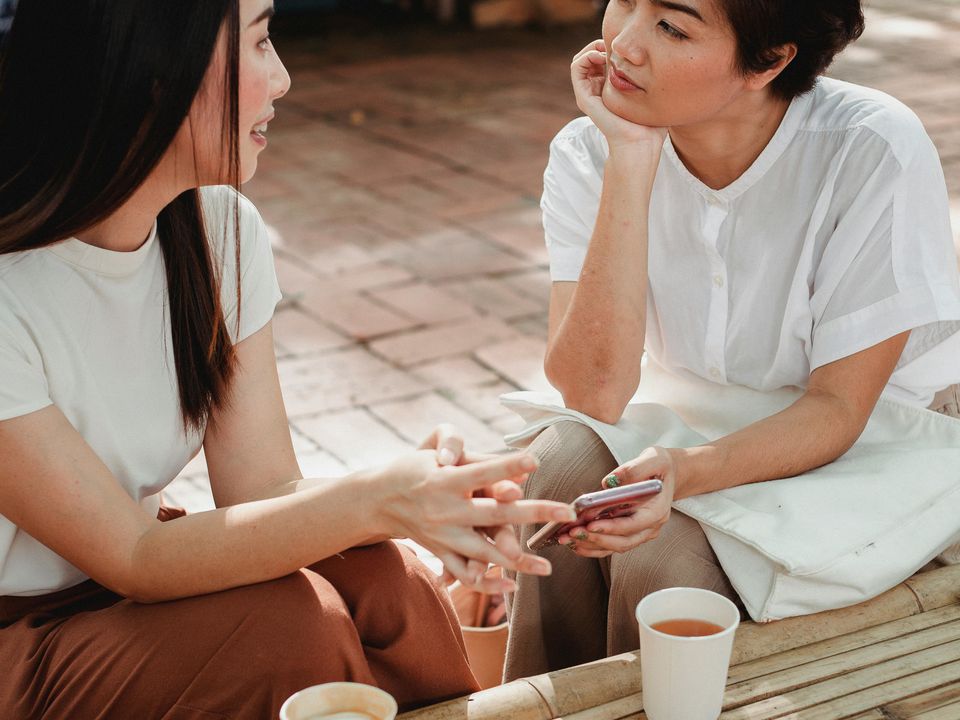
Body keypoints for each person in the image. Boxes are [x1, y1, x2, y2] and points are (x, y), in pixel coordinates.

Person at [0, 1, 580, 717]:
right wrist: (376, 498)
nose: (283, 79)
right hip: (20, 635)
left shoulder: (217, 232)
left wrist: (413, 492)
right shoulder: (10, 290)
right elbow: (137, 557)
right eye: (259, 41)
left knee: (386, 576)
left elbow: (263, 488)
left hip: (127, 585)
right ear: (156, 69)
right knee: (288, 630)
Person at [505, 0, 960, 680]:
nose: (624, 44)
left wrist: (686, 474)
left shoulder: (868, 146)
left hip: (866, 446)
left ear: (771, 60)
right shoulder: (587, 149)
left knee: (658, 558)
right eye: (625, 1)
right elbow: (593, 392)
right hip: (691, 416)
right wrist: (631, 156)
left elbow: (837, 409)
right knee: (556, 469)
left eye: (673, 27)